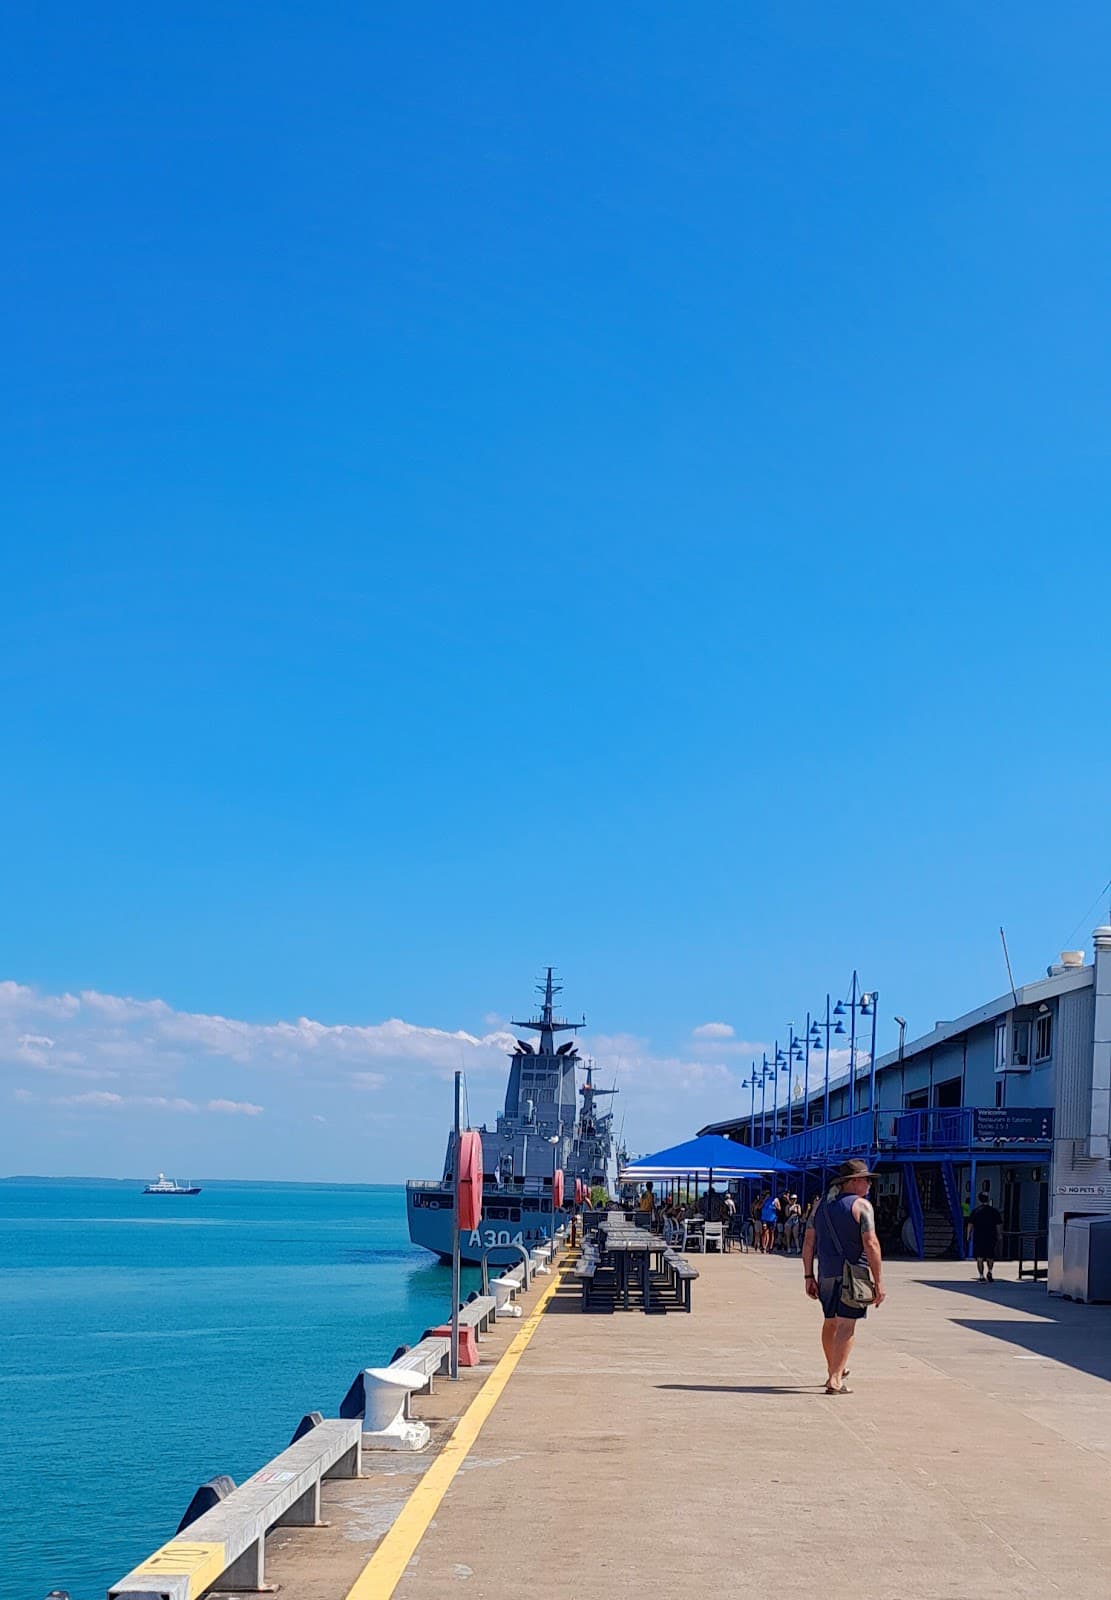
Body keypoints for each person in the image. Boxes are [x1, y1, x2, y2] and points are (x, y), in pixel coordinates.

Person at [802, 1159, 886, 1395]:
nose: (869, 1185)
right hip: (855, 1273)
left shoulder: (819, 1207)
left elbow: (809, 1243)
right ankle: (835, 1379)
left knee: (830, 1321)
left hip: (826, 1272)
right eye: (867, 1180)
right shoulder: (862, 1206)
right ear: (854, 1182)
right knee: (847, 1326)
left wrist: (808, 1275)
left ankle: (833, 1369)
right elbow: (871, 1243)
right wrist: (879, 1282)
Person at [966, 1189, 1004, 1282]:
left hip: (979, 1237)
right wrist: (999, 1235)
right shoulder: (994, 1211)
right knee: (990, 1256)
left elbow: (970, 1224)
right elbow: (998, 1225)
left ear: (979, 1200)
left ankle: (981, 1276)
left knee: (979, 1257)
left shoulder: (976, 1211)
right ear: (987, 1199)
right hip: (991, 1236)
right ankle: (990, 1271)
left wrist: (968, 1235)